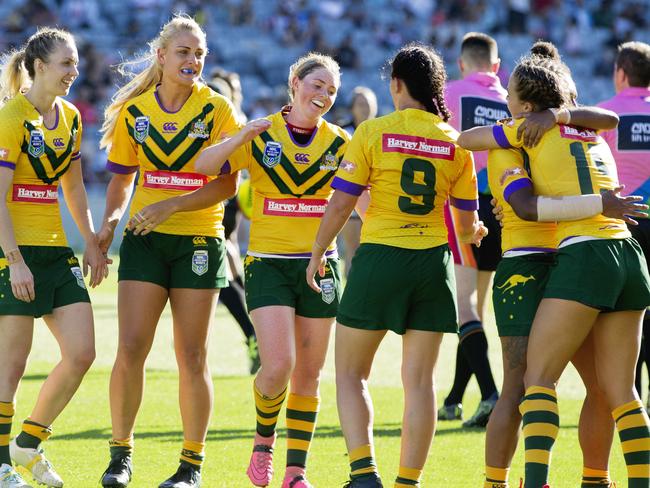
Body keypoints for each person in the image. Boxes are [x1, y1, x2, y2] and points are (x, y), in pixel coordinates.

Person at [458, 55, 650, 488]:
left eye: (510, 96)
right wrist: (560, 115)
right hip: (625, 254)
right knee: (617, 391)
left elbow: (466, 141)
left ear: (527, 106)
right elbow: (610, 117)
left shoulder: (518, 131)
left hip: (578, 258)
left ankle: (530, 482)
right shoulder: (590, 127)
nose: (504, 102)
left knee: (533, 381)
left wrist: (593, 202)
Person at [306, 43, 487, 488]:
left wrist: (317, 253)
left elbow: (340, 204)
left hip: (379, 260)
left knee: (350, 372)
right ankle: (408, 481)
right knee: (420, 383)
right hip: (432, 266)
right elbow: (466, 226)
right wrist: (475, 234)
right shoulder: (455, 142)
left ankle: (365, 474)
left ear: (397, 85)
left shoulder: (371, 132)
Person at [175, 52, 351, 488]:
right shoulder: (260, 132)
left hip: (320, 267)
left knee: (310, 373)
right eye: (316, 85)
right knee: (279, 366)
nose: (324, 96)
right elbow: (201, 167)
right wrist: (241, 136)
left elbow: (356, 200)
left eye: (331, 90)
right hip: (269, 265)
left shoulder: (340, 142)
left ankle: (296, 472)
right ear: (294, 82)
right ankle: (263, 442)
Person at [96, 15, 241, 488]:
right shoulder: (135, 112)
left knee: (192, 356)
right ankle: (121, 456)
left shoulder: (218, 109)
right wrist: (112, 221)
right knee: (131, 348)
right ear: (161, 56)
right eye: (184, 52)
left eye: (199, 53)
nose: (193, 61)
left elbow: (226, 184)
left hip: (199, 239)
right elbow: (120, 179)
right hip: (145, 240)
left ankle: (190, 466)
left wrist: (172, 204)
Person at [0, 27, 108, 488]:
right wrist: (14, 259)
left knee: (82, 352)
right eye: (66, 63)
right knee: (12, 364)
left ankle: (27, 443)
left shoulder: (71, 117)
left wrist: (91, 240)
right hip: (14, 253)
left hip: (55, 252)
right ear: (39, 66)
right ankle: (2, 464)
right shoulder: (11, 116)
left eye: (76, 63)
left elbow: (75, 186)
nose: (74, 71)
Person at [440, 32, 505, 426]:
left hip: (465, 205)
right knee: (476, 308)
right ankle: (453, 398)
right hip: (504, 206)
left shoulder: (451, 94)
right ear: (496, 67)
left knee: (464, 307)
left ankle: (491, 394)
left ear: (462, 63)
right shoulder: (511, 99)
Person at [598, 41, 650, 408]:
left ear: (621, 74)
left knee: (623, 312)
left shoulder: (603, 115)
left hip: (622, 222)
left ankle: (625, 394)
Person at [206, 68, 260, 374]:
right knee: (230, 283)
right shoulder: (210, 127)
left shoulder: (235, 129)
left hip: (219, 218)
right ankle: (257, 337)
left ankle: (256, 337)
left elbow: (242, 188)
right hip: (214, 219)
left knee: (228, 283)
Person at [339, 86, 378, 276]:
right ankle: (349, 295)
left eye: (369, 104)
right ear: (352, 108)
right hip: (350, 198)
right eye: (361, 104)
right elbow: (335, 164)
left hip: (375, 199)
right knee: (353, 249)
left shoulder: (381, 131)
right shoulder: (342, 132)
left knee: (373, 252)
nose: (365, 108)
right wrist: (356, 170)